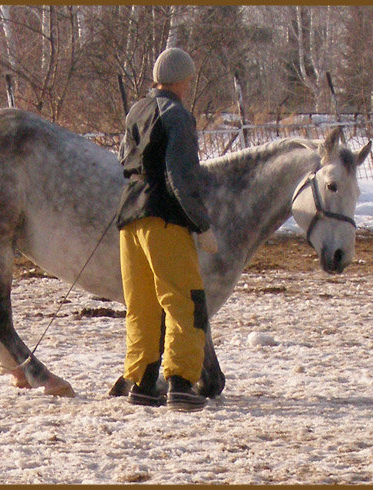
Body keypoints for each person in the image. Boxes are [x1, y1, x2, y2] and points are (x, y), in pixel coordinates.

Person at [115, 47, 218, 412]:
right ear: (180, 79)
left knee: (140, 305)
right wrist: (201, 224)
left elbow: (123, 161)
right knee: (184, 300)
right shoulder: (177, 115)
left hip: (130, 218)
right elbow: (180, 176)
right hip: (164, 218)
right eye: (188, 79)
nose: (189, 85)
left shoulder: (136, 111)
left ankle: (141, 383)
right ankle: (179, 383)